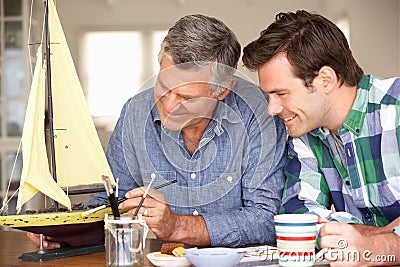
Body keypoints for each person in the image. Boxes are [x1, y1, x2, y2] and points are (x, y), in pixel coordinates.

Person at [28, 14, 287, 249]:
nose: (170, 105)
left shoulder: (260, 114)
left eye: (186, 97)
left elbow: (266, 219)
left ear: (223, 90)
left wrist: (177, 226)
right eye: (163, 85)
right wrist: (68, 232)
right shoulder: (135, 113)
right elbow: (112, 202)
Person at [242, 10, 399, 266]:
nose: (272, 109)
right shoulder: (305, 130)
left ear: (325, 79)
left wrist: (378, 245)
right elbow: (296, 210)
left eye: (281, 93)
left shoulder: (397, 109)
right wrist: (373, 234)